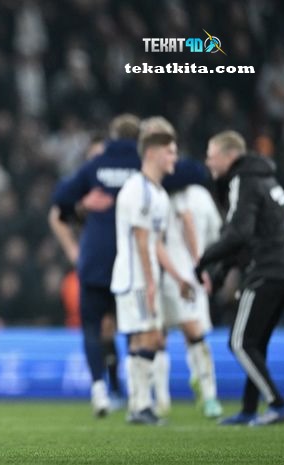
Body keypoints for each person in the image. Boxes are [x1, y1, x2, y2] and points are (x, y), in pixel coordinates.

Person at [196, 130, 284, 426]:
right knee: (255, 343)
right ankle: (248, 409)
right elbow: (250, 237)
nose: (208, 161)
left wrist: (204, 259)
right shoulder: (265, 179)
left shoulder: (242, 180)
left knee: (240, 343)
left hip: (267, 270)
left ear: (230, 156)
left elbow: (238, 234)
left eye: (212, 154)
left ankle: (278, 404)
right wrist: (220, 274)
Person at [49, 114, 141, 416]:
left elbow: (58, 204)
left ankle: (103, 388)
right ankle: (136, 394)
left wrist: (77, 211)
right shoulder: (140, 167)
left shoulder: (93, 171)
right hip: (129, 259)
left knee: (98, 326)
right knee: (125, 327)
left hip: (98, 258)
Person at [110, 131, 193, 425]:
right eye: (170, 151)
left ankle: (138, 404)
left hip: (146, 277)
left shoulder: (158, 193)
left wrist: (179, 277)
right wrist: (150, 282)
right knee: (149, 336)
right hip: (135, 278)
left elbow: (156, 243)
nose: (174, 158)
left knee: (150, 338)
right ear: (153, 153)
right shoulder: (138, 190)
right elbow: (141, 237)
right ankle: (141, 406)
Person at [159, 158, 224, 419]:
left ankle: (160, 399)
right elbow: (215, 236)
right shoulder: (201, 196)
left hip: (169, 274)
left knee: (159, 337)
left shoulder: (160, 194)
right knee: (193, 335)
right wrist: (203, 265)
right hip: (187, 273)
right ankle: (207, 393)